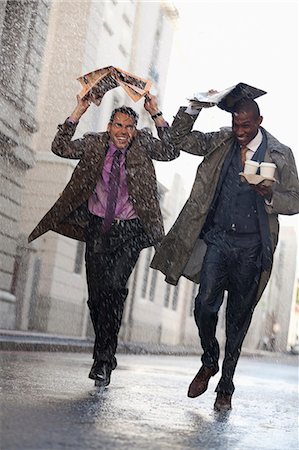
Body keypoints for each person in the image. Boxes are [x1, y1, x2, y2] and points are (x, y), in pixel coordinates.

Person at [151, 96, 299, 411]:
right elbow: (178, 140)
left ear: (259, 121)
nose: (240, 131)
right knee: (204, 305)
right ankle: (209, 360)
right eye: (235, 124)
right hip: (218, 239)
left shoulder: (281, 153)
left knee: (237, 319)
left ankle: (226, 385)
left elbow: (296, 199)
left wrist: (270, 194)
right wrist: (192, 110)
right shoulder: (222, 140)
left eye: (245, 125)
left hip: (252, 246)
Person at [28, 92, 177, 387]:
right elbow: (59, 147)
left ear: (136, 130)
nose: (124, 132)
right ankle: (106, 352)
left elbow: (171, 150)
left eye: (129, 127)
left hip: (132, 231)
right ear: (110, 126)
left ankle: (103, 359)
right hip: (98, 227)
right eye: (119, 125)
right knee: (97, 296)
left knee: (113, 288)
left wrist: (156, 112)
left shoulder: (143, 144)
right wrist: (79, 110)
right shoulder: (95, 143)